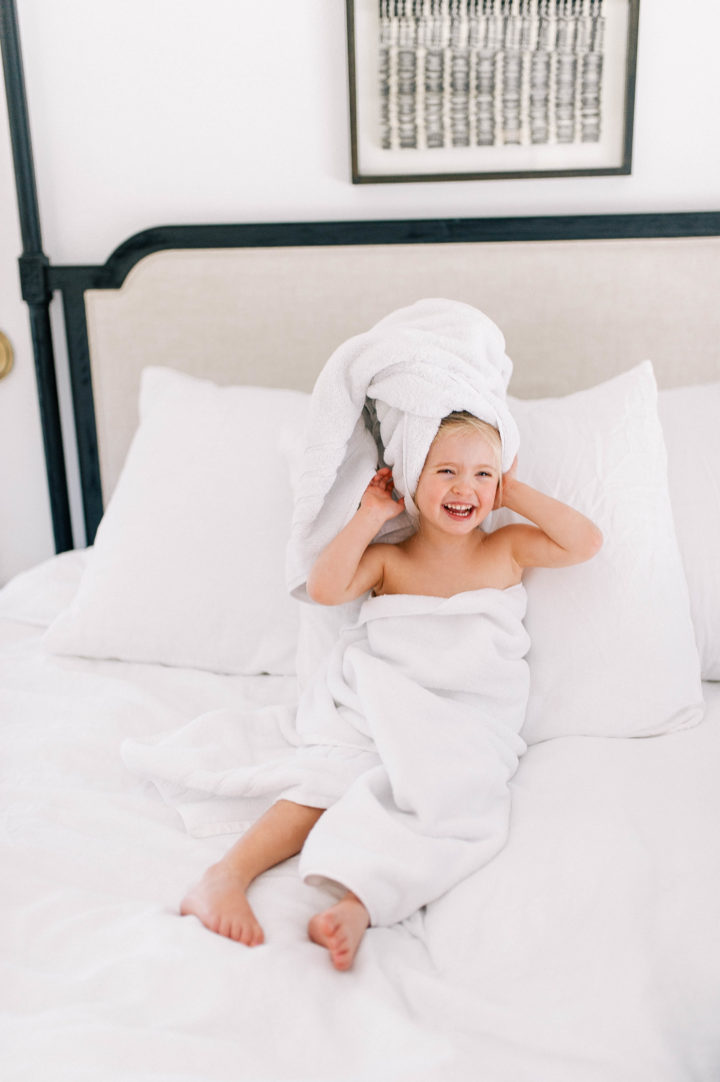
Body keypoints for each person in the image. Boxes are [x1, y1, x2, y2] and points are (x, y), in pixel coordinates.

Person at [180, 411, 602, 970]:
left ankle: (358, 903)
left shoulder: (506, 549)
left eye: (483, 475)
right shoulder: (390, 558)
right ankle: (223, 876)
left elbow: (585, 542)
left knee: (455, 803)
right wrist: (369, 515)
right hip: (383, 704)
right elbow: (325, 589)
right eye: (446, 470)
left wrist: (515, 492)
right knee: (332, 777)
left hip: (464, 721)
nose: (464, 487)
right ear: (410, 480)